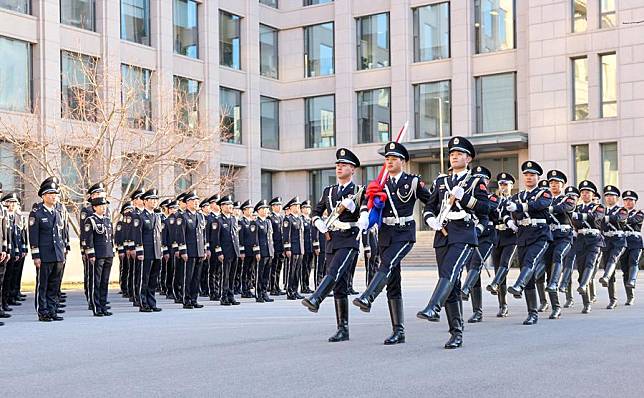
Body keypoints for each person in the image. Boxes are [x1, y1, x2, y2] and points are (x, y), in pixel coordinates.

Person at [417, 137, 489, 348]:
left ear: (468, 158)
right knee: (451, 283)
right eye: (452, 154)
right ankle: (456, 332)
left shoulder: (476, 182)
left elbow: (486, 208)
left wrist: (465, 198)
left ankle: (433, 307)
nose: (455, 156)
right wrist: (431, 220)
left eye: (459, 153)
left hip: (464, 234)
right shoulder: (441, 182)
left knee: (449, 272)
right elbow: (429, 206)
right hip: (443, 233)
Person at [302, 148, 369, 343]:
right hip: (331, 239)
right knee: (339, 284)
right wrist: (317, 222)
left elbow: (364, 211)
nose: (339, 168)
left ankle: (316, 298)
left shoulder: (359, 191)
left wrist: (356, 209)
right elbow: (316, 211)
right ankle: (343, 329)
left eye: (344, 165)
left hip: (349, 239)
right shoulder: (329, 191)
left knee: (334, 270)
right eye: (338, 165)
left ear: (353, 169)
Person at [504, 161, 553, 326]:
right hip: (523, 235)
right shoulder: (517, 196)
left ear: (538, 177)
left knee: (531, 261)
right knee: (529, 273)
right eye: (526, 175)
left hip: (540, 234)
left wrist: (518, 207)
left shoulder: (544, 193)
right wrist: (510, 216)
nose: (529, 177)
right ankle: (532, 313)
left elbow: (540, 205)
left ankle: (518, 285)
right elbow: (513, 213)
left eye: (532, 175)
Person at [461, 165, 499, 324]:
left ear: (487, 181)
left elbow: (490, 210)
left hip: (487, 236)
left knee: (476, 264)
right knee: (471, 269)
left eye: (481, 178)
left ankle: (464, 289)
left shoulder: (492, 198)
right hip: (472, 235)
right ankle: (477, 311)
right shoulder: (466, 195)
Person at [540, 170, 576, 319]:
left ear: (563, 185)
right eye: (551, 183)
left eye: (557, 183)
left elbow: (563, 209)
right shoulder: (545, 198)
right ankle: (556, 307)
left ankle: (555, 283)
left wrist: (545, 208)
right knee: (547, 269)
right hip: (549, 237)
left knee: (559, 254)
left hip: (564, 237)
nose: (554, 185)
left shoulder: (568, 199)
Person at [29, 180, 66, 322]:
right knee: (43, 284)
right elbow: (33, 236)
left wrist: (62, 252)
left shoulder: (57, 213)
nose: (54, 196)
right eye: (50, 194)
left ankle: (52, 309)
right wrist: (36, 256)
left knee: (54, 285)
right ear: (43, 196)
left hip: (57, 254)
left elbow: (60, 235)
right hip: (44, 255)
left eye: (55, 194)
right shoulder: (37, 213)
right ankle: (42, 311)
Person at [570, 180, 605, 314]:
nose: (585, 194)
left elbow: (595, 217)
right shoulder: (576, 208)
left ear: (593, 194)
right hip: (580, 239)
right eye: (583, 192)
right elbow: (573, 222)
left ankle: (584, 286)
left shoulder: (599, 207)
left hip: (594, 239)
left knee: (590, 263)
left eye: (588, 192)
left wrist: (580, 217)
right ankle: (586, 302)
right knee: (581, 269)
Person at [486, 173, 518, 318]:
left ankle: (494, 284)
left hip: (511, 237)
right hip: (497, 237)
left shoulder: (516, 200)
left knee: (505, 264)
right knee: (498, 269)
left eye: (506, 184)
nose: (503, 187)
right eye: (501, 184)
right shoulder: (494, 199)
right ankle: (503, 305)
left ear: (512, 185)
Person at [597, 185, 628, 309]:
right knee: (609, 266)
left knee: (613, 259)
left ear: (617, 198)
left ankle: (605, 276)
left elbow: (620, 218)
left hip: (619, 240)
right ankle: (612, 299)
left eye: (612, 196)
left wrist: (605, 218)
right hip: (606, 240)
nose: (609, 198)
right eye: (607, 196)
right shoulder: (601, 210)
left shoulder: (622, 210)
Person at [176, 191, 207, 309]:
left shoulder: (200, 216)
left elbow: (203, 235)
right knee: (187, 277)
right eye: (193, 201)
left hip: (199, 251)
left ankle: (194, 299)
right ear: (187, 202)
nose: (196, 203)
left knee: (196, 277)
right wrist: (183, 251)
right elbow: (181, 235)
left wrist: (204, 249)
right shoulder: (183, 216)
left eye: (197, 201)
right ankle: (186, 299)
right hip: (189, 251)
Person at [84, 196, 114, 317]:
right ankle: (96, 306)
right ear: (94, 207)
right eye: (101, 206)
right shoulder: (90, 220)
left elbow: (111, 238)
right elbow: (89, 238)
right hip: (98, 255)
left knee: (105, 281)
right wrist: (91, 253)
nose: (103, 208)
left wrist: (112, 252)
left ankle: (103, 305)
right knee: (96, 281)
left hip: (108, 253)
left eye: (104, 206)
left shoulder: (107, 220)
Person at [213, 195, 242, 306]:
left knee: (232, 275)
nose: (230, 207)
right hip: (225, 252)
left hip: (234, 251)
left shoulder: (234, 219)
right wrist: (219, 252)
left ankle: (231, 295)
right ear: (222, 206)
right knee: (225, 275)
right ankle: (223, 296)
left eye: (231, 205)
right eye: (228, 205)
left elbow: (236, 237)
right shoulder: (218, 220)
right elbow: (215, 238)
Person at [559, 186, 580, 308]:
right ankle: (568, 296)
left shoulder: (581, 210)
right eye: (569, 196)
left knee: (569, 263)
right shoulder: (564, 209)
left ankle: (564, 286)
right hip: (565, 238)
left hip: (579, 241)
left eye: (574, 197)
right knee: (565, 264)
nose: (571, 198)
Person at [621, 190, 642, 306]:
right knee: (625, 270)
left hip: (635, 242)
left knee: (633, 261)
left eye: (631, 200)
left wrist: (620, 220)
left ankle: (632, 281)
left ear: (635, 202)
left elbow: (635, 220)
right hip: (623, 242)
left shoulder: (639, 213)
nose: (628, 202)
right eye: (626, 200)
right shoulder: (620, 212)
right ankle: (630, 296)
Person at [283, 197, 305, 300]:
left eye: (298, 205)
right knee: (291, 271)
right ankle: (289, 291)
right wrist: (287, 249)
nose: (298, 207)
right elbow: (286, 235)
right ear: (291, 207)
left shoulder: (299, 219)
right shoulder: (288, 219)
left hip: (300, 248)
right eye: (296, 205)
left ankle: (295, 290)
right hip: (293, 249)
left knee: (297, 271)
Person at [253, 200, 274, 303]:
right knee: (259, 274)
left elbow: (270, 237)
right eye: (264, 209)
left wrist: (272, 251)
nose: (266, 211)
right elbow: (255, 239)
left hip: (269, 251)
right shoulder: (255, 222)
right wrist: (257, 252)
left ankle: (265, 292)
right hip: (261, 252)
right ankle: (259, 293)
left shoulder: (268, 222)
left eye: (267, 209)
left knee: (266, 274)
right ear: (258, 210)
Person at [239, 200, 257, 298]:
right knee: (245, 270)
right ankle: (244, 290)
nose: (251, 210)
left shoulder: (252, 222)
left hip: (252, 251)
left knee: (251, 270)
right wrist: (242, 251)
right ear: (244, 210)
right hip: (245, 251)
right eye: (249, 209)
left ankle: (249, 288)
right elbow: (241, 238)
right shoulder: (241, 222)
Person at [269, 197, 285, 295]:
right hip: (274, 246)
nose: (279, 207)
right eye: (277, 205)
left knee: (279, 268)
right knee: (273, 268)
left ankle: (277, 286)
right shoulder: (270, 218)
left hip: (281, 246)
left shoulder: (281, 218)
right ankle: (272, 288)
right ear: (273, 207)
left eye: (280, 205)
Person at [301, 200, 314, 294]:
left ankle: (307, 285)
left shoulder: (310, 220)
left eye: (309, 208)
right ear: (302, 209)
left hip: (310, 247)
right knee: (303, 267)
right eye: (306, 208)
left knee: (309, 267)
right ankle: (303, 286)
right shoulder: (301, 220)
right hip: (304, 247)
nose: (308, 209)